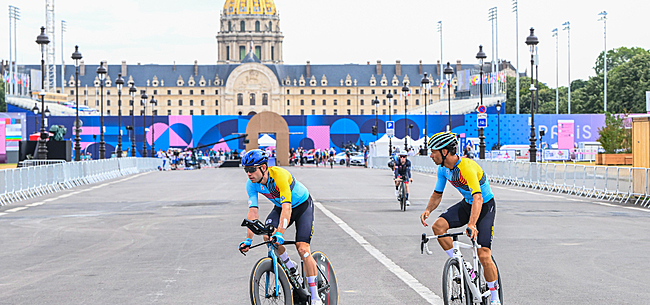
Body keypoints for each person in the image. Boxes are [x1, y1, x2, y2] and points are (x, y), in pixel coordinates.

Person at [419, 132, 500, 305]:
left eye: (434, 152)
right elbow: (437, 193)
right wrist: (428, 209)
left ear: (445, 152)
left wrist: (472, 223)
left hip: (484, 205)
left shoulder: (467, 167)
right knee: (438, 227)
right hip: (467, 203)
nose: (431, 155)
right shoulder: (443, 169)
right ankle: (463, 265)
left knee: (484, 255)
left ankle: (494, 297)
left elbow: (478, 197)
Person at [238, 150, 323, 305]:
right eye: (246, 170)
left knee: (303, 248)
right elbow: (253, 212)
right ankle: (290, 267)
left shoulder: (279, 176)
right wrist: (248, 240)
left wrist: (281, 232)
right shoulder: (251, 184)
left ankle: (316, 297)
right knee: (267, 235)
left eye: (251, 169)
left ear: (263, 167)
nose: (248, 174)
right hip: (281, 207)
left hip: (301, 206)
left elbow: (287, 208)